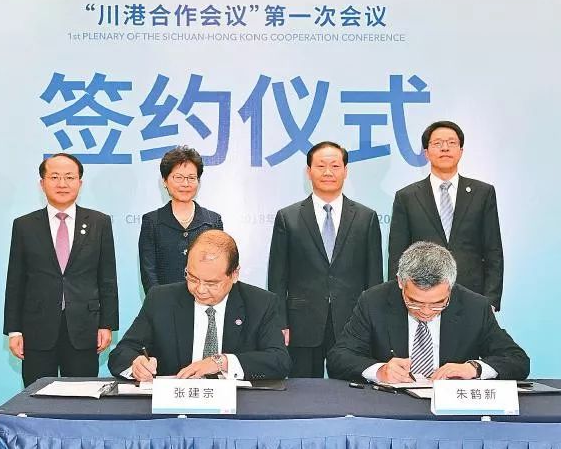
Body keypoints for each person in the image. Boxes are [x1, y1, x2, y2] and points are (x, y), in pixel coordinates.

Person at [327, 241, 528, 383]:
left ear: (450, 287)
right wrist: (380, 371)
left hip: (451, 412)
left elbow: (517, 359)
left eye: (438, 303)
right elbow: (339, 357)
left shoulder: (474, 306)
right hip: (391, 407)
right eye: (414, 302)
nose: (425, 312)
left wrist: (473, 368)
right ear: (401, 282)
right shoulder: (374, 301)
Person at [110, 230, 291, 381]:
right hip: (175, 405)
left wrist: (222, 362)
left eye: (212, 283)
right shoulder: (161, 299)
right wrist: (136, 365)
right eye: (193, 278)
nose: (200, 289)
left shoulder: (260, 303)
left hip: (237, 405)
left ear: (234, 274)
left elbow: (279, 361)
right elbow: (121, 353)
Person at [268, 141, 383, 378]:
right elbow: (277, 277)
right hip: (302, 322)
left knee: (351, 389)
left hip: (352, 322)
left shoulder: (366, 218)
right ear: (308, 171)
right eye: (321, 166)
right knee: (302, 391)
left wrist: (374, 323)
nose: (328, 172)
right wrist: (280, 322)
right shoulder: (288, 217)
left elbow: (374, 278)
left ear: (345, 171)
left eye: (335, 166)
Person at [4, 153, 119, 387]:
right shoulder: (25, 225)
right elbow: (16, 280)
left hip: (84, 327)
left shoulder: (99, 222)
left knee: (81, 397)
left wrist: (106, 324)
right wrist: (14, 330)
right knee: (37, 397)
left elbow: (107, 278)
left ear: (80, 183)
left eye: (69, 177)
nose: (62, 183)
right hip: (37, 328)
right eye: (54, 177)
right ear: (42, 183)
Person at [388, 121, 504, 310]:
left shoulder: (483, 193)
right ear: (426, 153)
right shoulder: (407, 197)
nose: (445, 148)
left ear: (461, 151)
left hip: (472, 297)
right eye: (437, 143)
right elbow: (397, 255)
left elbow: (493, 252)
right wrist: (399, 300)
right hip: (423, 298)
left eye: (451, 143)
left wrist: (490, 301)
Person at [138, 145, 223, 294]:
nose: (185, 184)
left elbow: (219, 269)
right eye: (178, 177)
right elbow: (149, 274)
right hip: (165, 303)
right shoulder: (152, 221)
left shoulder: (213, 221)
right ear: (165, 181)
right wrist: (160, 304)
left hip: (204, 301)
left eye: (191, 178)